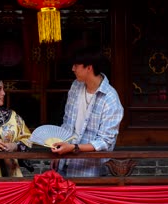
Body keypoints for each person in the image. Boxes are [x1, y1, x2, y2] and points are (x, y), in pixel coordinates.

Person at [51, 46, 124, 177]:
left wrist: (73, 148)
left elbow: (105, 142)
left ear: (89, 67)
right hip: (64, 163)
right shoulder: (76, 86)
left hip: (90, 171)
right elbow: (67, 123)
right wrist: (59, 152)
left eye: (76, 65)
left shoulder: (110, 98)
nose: (72, 69)